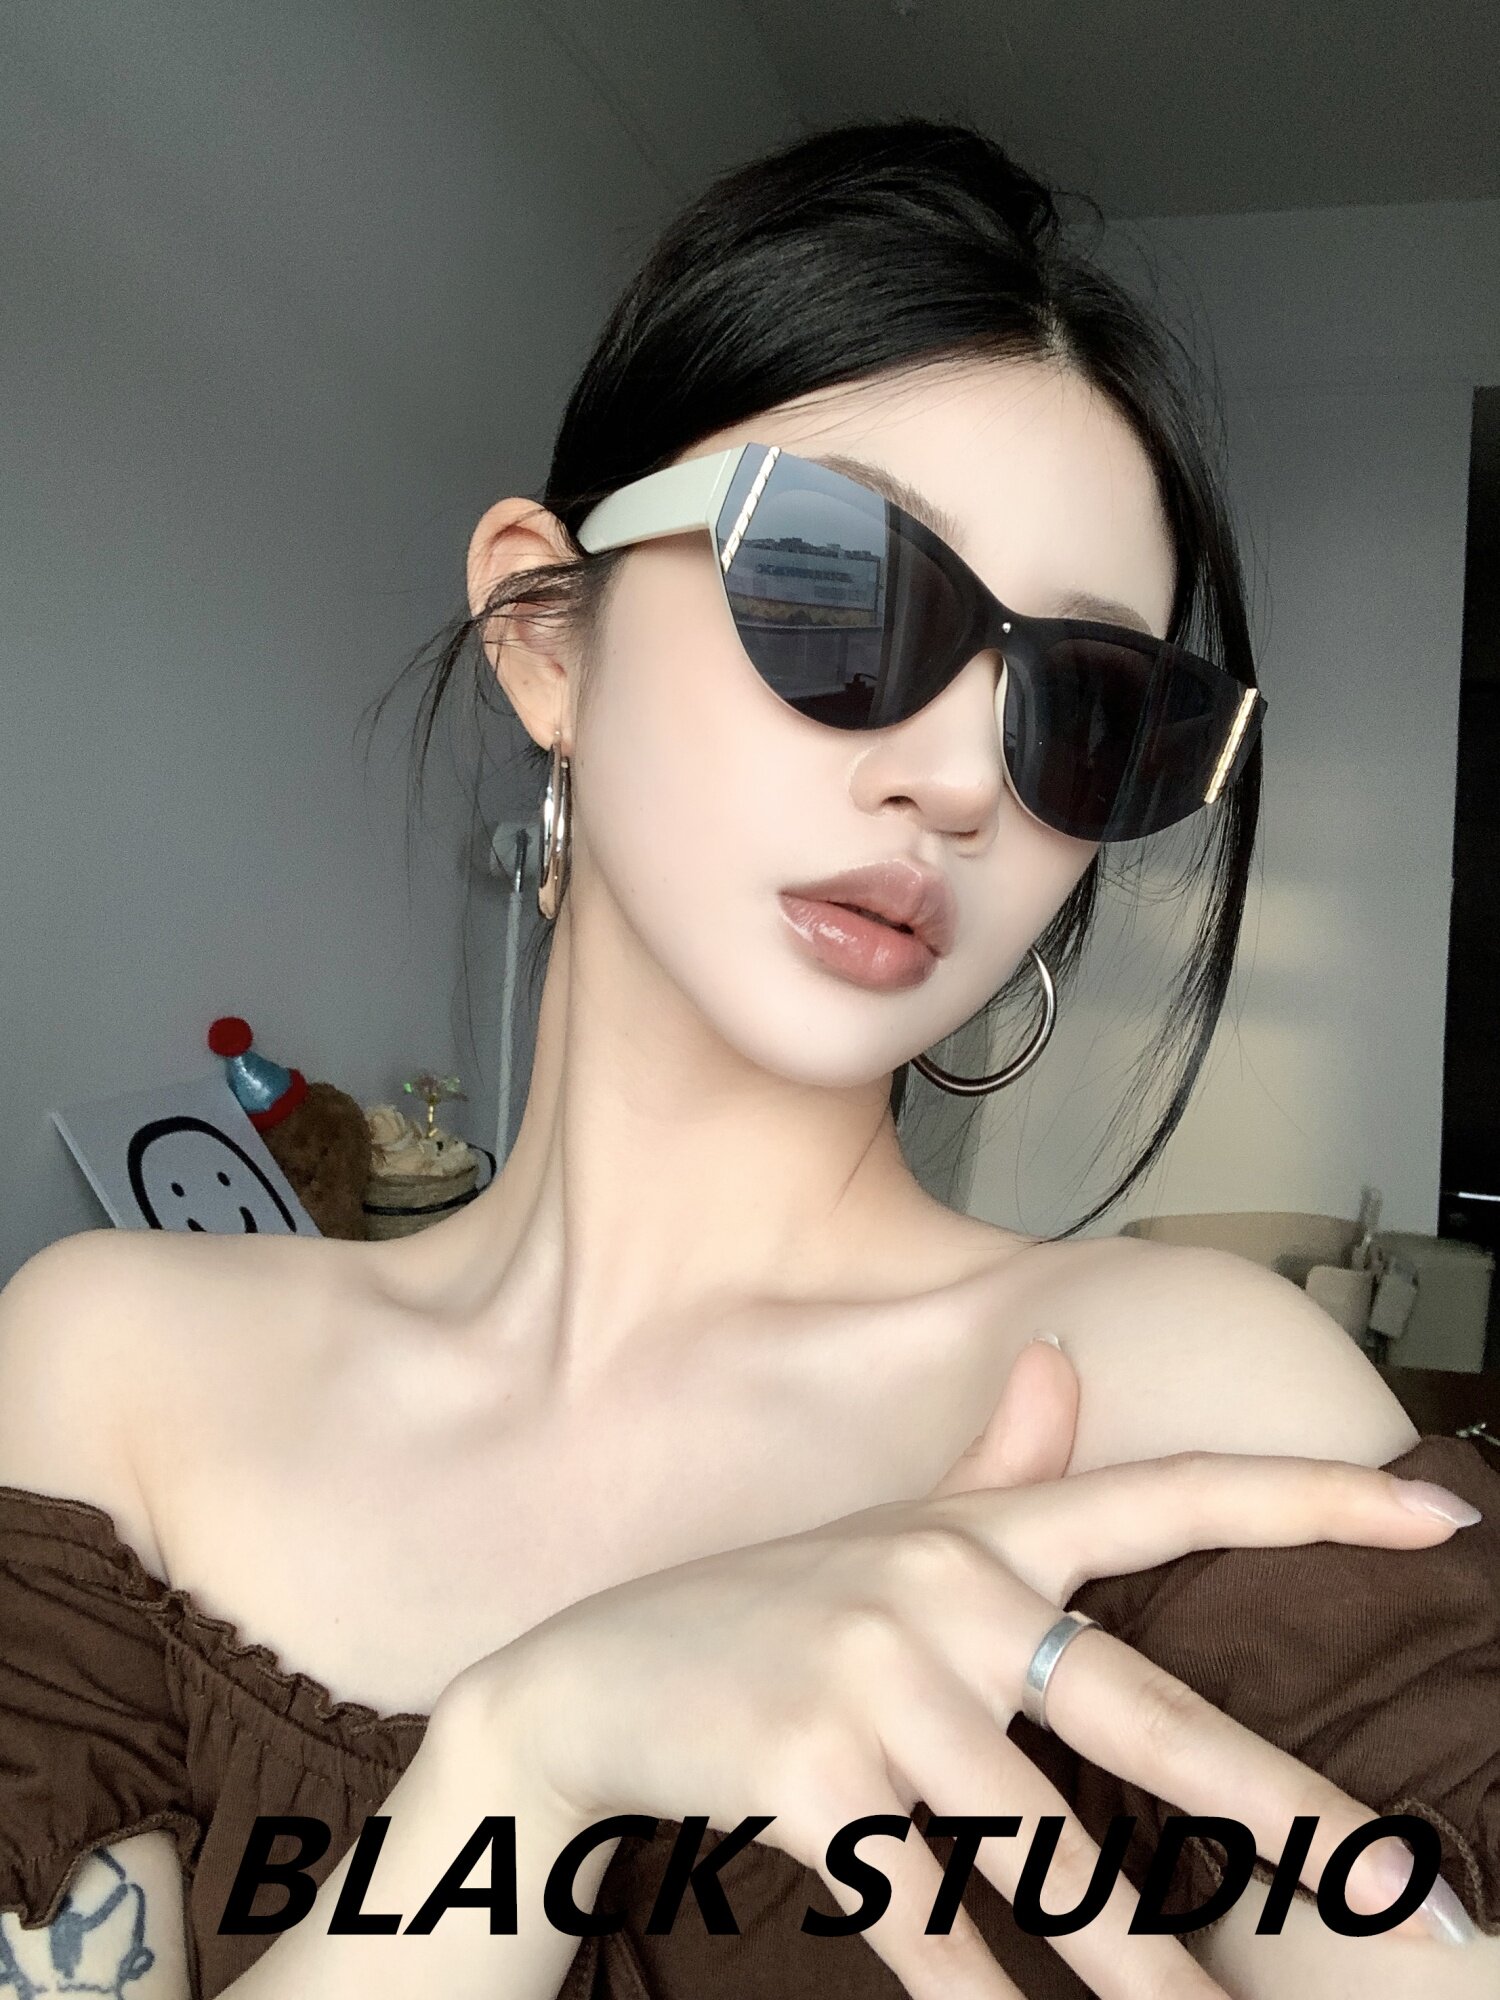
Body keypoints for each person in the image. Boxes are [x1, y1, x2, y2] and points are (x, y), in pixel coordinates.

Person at [1, 120, 1495, 2000]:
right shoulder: (114, 1373)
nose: (959, 781)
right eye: (836, 590)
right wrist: (524, 1766)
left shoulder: (1189, 1407)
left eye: (1081, 706)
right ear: (546, 632)